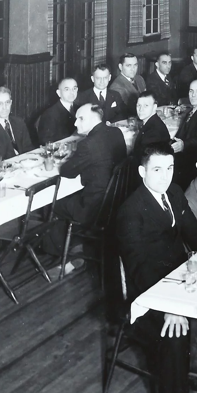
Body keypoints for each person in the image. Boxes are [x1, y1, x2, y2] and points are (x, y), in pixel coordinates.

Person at [116, 143, 197, 393]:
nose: (165, 175)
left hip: (179, 283)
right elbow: (140, 271)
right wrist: (170, 306)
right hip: (147, 298)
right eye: (157, 169)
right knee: (174, 336)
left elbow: (194, 234)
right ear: (142, 172)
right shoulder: (130, 211)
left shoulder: (174, 194)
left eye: (169, 168)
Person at [42, 104, 127, 260]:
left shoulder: (87, 144)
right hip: (114, 202)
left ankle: (59, 257)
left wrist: (72, 157)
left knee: (52, 204)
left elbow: (68, 171)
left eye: (80, 119)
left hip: (94, 209)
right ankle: (75, 244)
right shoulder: (116, 132)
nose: (75, 124)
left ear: (95, 119)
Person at [37, 78, 78, 145]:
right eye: (67, 89)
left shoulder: (80, 109)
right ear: (58, 93)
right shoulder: (50, 114)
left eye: (74, 88)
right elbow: (46, 141)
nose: (72, 92)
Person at [133, 91, 171, 163]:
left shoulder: (153, 132)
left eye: (146, 105)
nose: (141, 109)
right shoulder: (153, 122)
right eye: (138, 105)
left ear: (154, 107)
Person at [0, 87, 33, 159]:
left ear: (11, 103)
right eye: (0, 104)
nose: (4, 107)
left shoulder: (19, 122)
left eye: (7, 102)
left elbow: (28, 148)